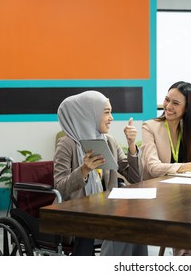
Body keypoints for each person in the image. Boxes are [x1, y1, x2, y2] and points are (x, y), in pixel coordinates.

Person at [54, 90, 148, 256]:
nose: (111, 118)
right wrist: (84, 170)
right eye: (106, 112)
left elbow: (134, 178)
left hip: (107, 211)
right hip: (78, 216)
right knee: (118, 225)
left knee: (137, 225)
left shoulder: (109, 141)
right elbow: (60, 188)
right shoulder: (66, 144)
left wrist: (131, 145)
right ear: (88, 114)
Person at [141, 81, 191, 255]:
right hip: (159, 195)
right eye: (167, 100)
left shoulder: (189, 128)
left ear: (187, 108)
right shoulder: (150, 127)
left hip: (185, 194)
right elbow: (153, 167)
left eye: (175, 103)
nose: (168, 106)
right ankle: (185, 252)